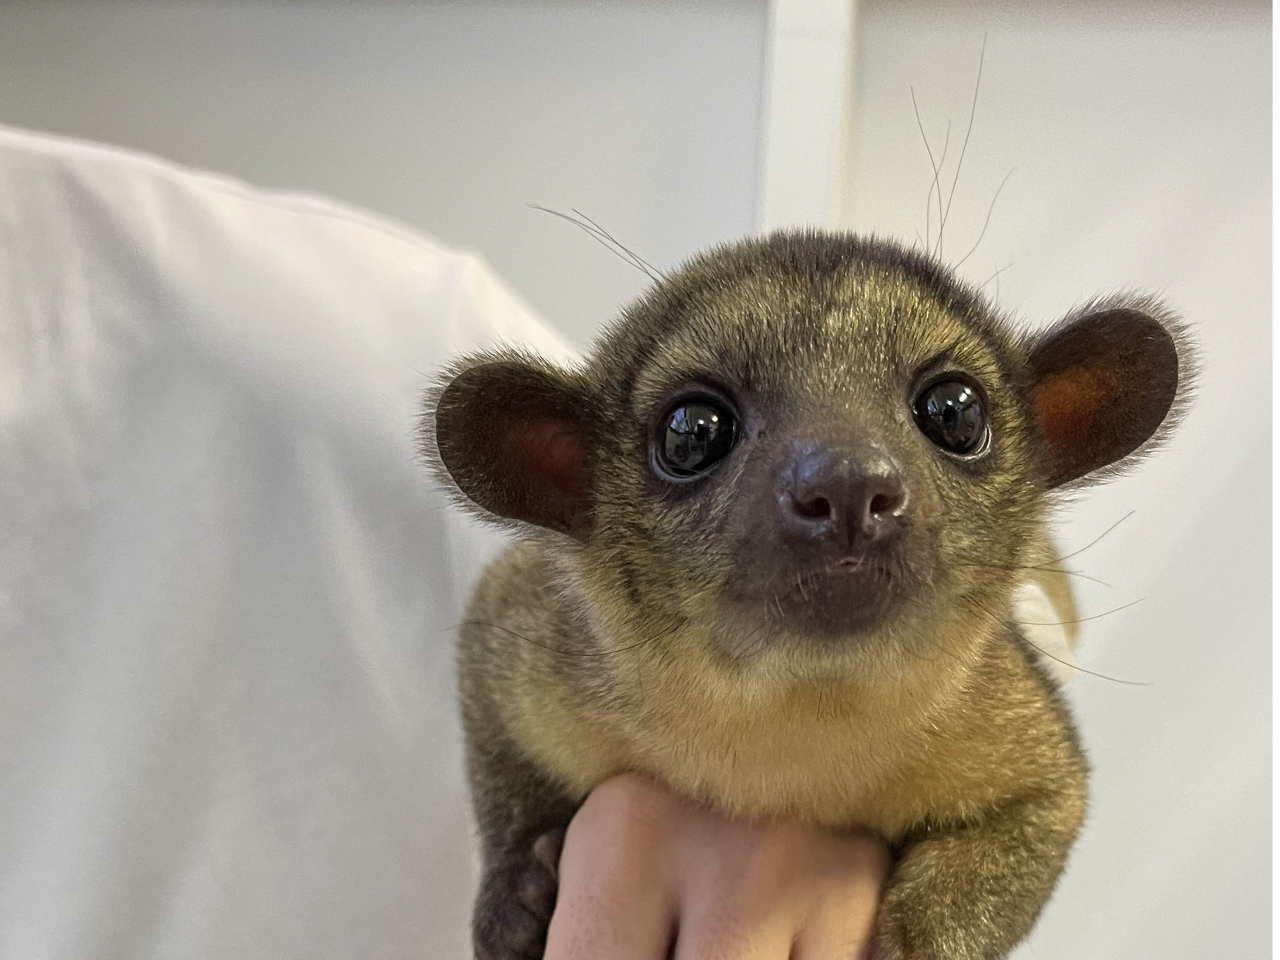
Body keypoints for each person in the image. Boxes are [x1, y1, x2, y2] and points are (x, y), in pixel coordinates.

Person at [0, 125, 1072, 960]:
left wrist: (912, 906)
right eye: (695, 437)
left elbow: (1037, 750)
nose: (848, 480)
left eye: (947, 417)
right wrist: (521, 841)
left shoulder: (234, 311)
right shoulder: (554, 644)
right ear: (561, 482)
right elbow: (503, 631)